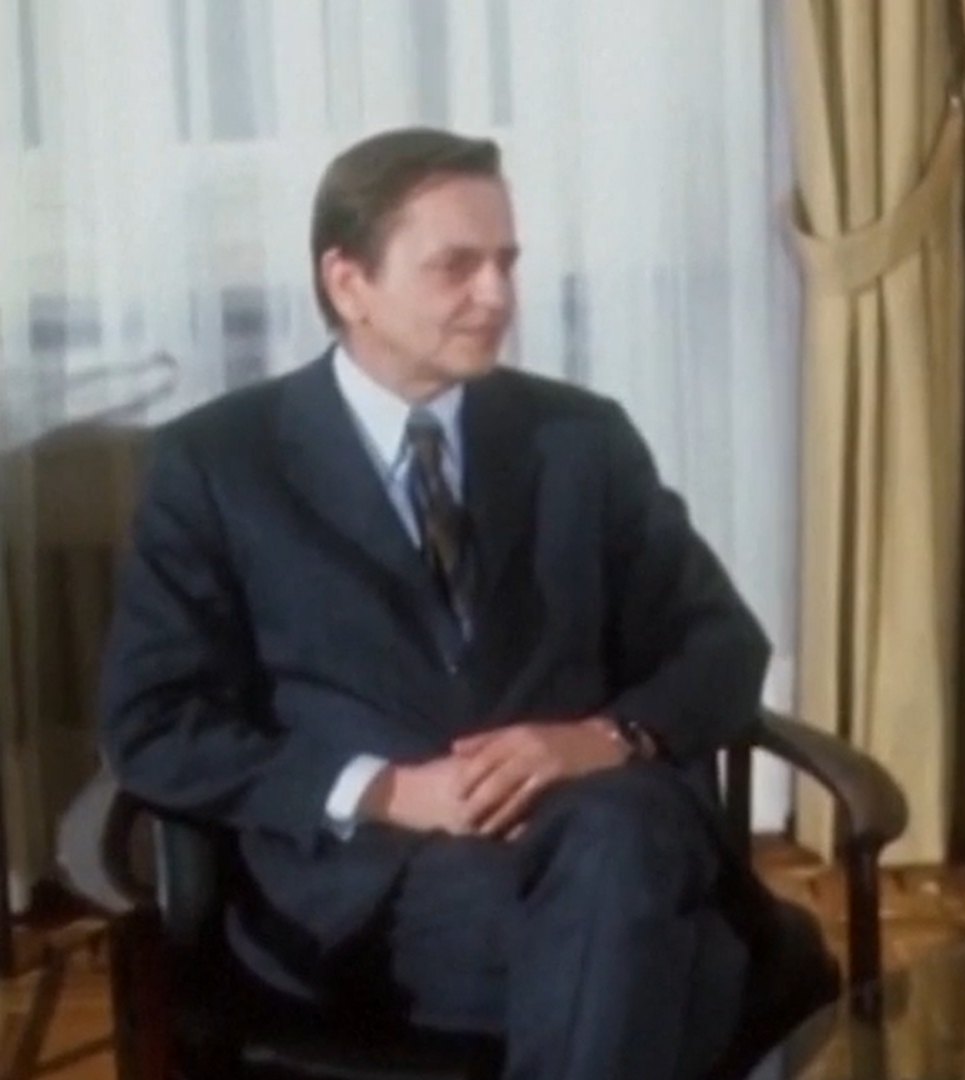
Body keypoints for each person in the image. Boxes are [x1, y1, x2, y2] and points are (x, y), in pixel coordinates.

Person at [95, 127, 831, 1080]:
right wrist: (390, 790)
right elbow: (154, 723)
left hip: (603, 843)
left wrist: (601, 740)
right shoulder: (219, 465)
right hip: (377, 895)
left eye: (506, 262)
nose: (497, 296)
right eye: (457, 266)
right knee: (687, 954)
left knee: (619, 843)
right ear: (348, 283)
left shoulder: (580, 440)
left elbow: (721, 643)